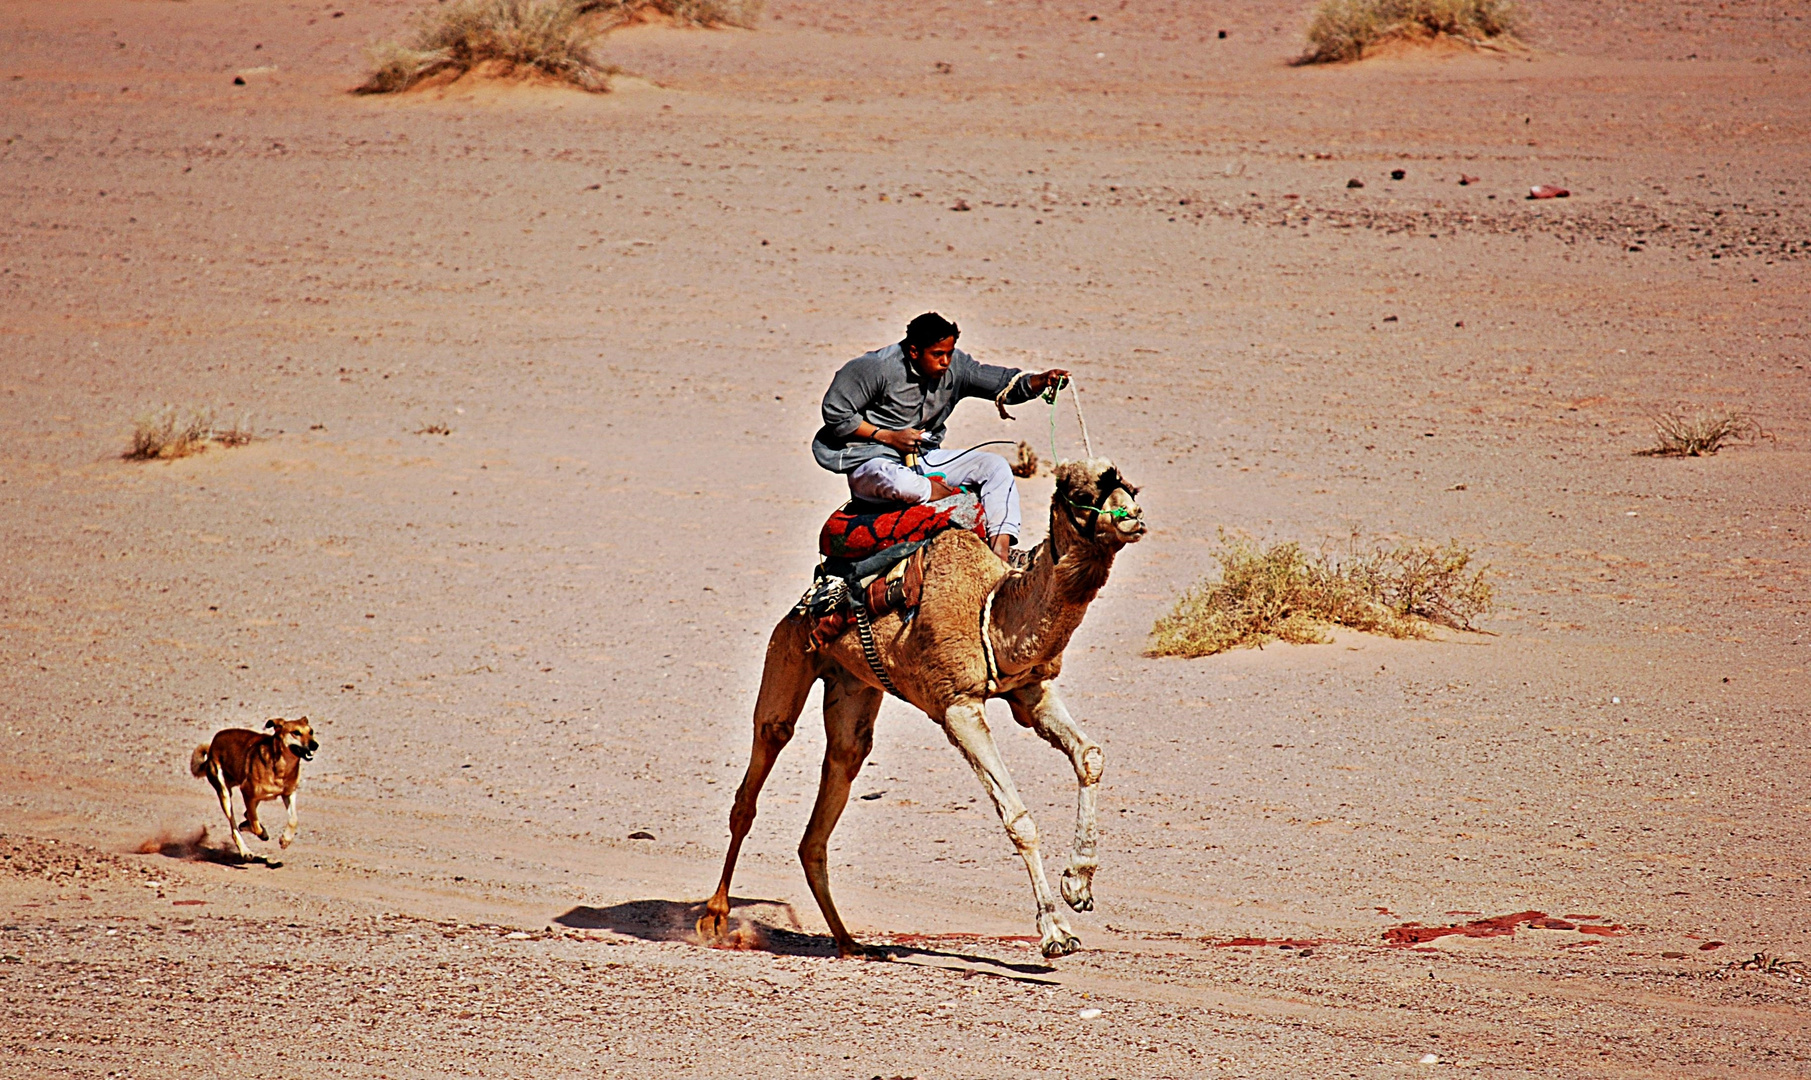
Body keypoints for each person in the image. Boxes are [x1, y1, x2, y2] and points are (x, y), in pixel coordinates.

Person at [813, 312, 1069, 561]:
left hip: (925, 457)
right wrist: (888, 437)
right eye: (937, 354)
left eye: (949, 353)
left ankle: (1000, 552)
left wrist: (1041, 380)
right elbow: (836, 413)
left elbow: (1004, 384)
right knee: (903, 485)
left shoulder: (956, 366)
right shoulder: (876, 367)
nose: (946, 361)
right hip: (871, 462)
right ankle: (936, 494)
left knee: (995, 467)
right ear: (914, 351)